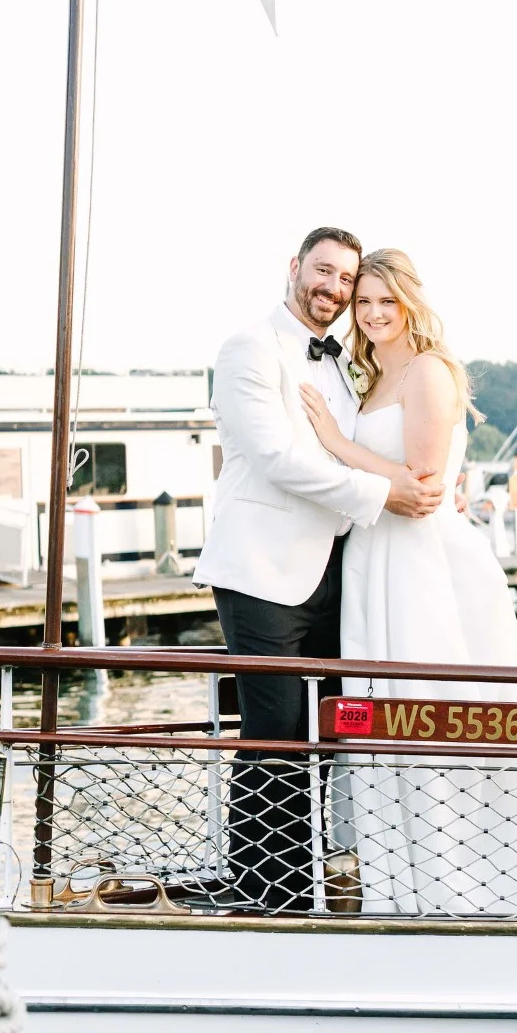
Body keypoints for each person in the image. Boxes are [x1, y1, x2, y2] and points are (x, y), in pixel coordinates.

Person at [299, 247, 517, 917]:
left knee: (437, 707)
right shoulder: (369, 373)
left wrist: (333, 442)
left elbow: (425, 483)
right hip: (376, 557)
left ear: (410, 303)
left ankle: (470, 888)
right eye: (362, 302)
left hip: (424, 563)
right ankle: (403, 887)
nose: (373, 314)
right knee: (384, 714)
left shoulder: (428, 371)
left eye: (385, 301)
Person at [195, 227, 445, 912]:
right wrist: (384, 493)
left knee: (329, 736)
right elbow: (278, 459)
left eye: (346, 280)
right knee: (272, 737)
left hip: (339, 575)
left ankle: (300, 876)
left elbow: (354, 447)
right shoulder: (249, 349)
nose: (334, 290)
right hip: (263, 573)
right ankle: (267, 892)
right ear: (294, 268)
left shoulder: (343, 363)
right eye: (324, 272)